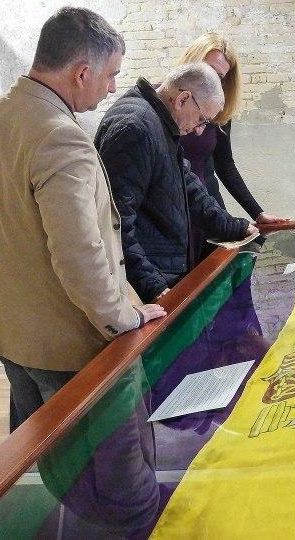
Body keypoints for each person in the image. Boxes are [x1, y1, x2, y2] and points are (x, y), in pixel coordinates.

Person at [0, 7, 166, 432]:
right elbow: (78, 253)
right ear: (81, 72)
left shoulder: (8, 112)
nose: (112, 88)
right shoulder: (60, 136)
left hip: (17, 338)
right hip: (70, 351)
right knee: (113, 482)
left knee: (47, 471)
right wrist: (124, 318)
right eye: (110, 75)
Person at [95, 63, 258, 304]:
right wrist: (154, 288)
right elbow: (116, 223)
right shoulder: (135, 127)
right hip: (149, 281)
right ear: (183, 99)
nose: (200, 131)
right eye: (202, 119)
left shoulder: (159, 120)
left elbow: (188, 187)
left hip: (164, 269)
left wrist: (236, 227)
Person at [179, 32, 289, 263]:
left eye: (220, 76)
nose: (212, 80)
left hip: (210, 208)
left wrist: (256, 212)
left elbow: (224, 163)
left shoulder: (219, 109)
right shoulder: (164, 101)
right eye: (207, 69)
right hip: (175, 212)